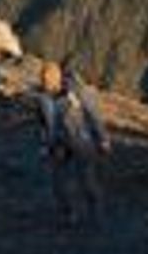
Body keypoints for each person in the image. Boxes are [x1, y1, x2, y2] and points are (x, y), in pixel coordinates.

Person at [27, 60, 112, 226]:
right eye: (43, 79)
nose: (45, 83)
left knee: (86, 180)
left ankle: (95, 211)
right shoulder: (42, 99)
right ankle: (69, 214)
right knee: (58, 183)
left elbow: (93, 115)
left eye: (48, 79)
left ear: (57, 78)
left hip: (80, 141)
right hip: (58, 144)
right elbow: (42, 124)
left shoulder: (76, 93)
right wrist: (44, 145)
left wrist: (103, 138)